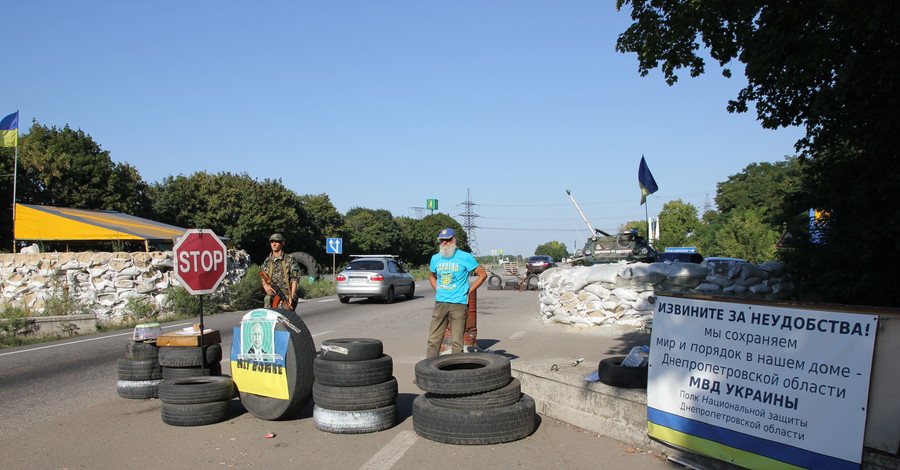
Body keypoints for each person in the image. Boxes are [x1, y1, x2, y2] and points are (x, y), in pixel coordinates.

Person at [427, 228, 487, 357]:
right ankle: (429, 369)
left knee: (457, 342)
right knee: (433, 339)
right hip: (440, 303)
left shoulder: (465, 257)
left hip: (458, 304)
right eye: (442, 240)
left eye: (447, 240)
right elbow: (432, 276)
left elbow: (482, 275)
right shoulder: (436, 258)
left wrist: (469, 290)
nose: (444, 243)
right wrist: (437, 288)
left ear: (454, 240)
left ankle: (455, 370)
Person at [260, 233, 301, 309]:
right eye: (272, 242)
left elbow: (294, 280)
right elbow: (263, 276)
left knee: (285, 319)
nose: (274, 244)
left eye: (276, 242)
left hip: (285, 297)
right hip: (271, 298)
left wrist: (291, 297)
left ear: (282, 243)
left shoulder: (289, 259)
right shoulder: (268, 260)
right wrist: (266, 287)